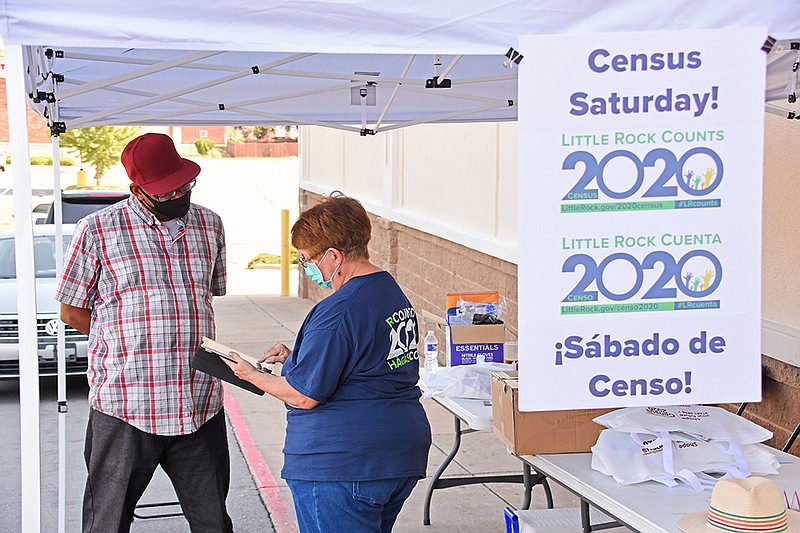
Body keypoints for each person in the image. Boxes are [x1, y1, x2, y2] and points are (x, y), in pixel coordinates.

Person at [224, 192, 431, 533]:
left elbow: (304, 395)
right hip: (395, 455)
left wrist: (251, 375)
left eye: (307, 259)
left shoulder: (339, 309)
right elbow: (368, 358)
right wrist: (300, 357)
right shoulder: (388, 290)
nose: (306, 267)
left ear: (334, 256)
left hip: (342, 464)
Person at [56, 133, 232, 533]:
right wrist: (119, 337)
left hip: (198, 402)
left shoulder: (210, 224)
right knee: (108, 522)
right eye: (167, 190)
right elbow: (71, 309)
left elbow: (207, 296)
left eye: (184, 185)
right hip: (126, 405)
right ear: (138, 189)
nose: (178, 194)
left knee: (214, 523)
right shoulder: (96, 230)